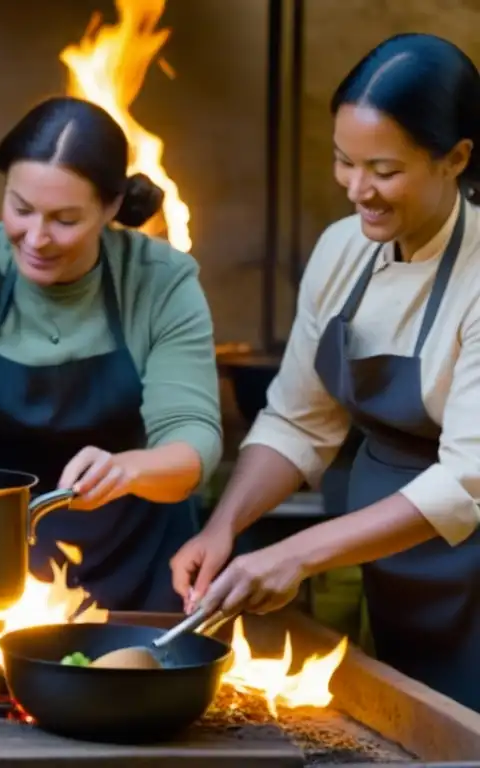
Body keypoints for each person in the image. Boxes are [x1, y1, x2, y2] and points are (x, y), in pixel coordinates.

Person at [170, 33, 480, 711]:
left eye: (384, 170)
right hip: (389, 551)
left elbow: (464, 483)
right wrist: (223, 526)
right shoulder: (345, 250)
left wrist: (300, 553)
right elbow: (298, 420)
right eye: (345, 162)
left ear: (456, 158)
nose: (357, 189)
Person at [0, 97, 222, 612]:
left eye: (64, 220)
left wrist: (129, 470)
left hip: (139, 574)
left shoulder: (161, 282)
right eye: (20, 208)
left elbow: (193, 441)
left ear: (112, 207)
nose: (35, 238)